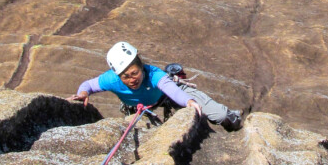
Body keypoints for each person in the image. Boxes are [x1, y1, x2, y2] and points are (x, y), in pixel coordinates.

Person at [69, 41, 243, 130]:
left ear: (142, 66)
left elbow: (171, 90)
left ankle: (232, 117)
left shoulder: (154, 74)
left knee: (219, 115)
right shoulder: (111, 79)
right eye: (125, 76)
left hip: (167, 96)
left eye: (135, 72)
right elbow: (88, 85)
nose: (131, 79)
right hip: (141, 107)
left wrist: (189, 101)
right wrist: (82, 93)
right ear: (118, 75)